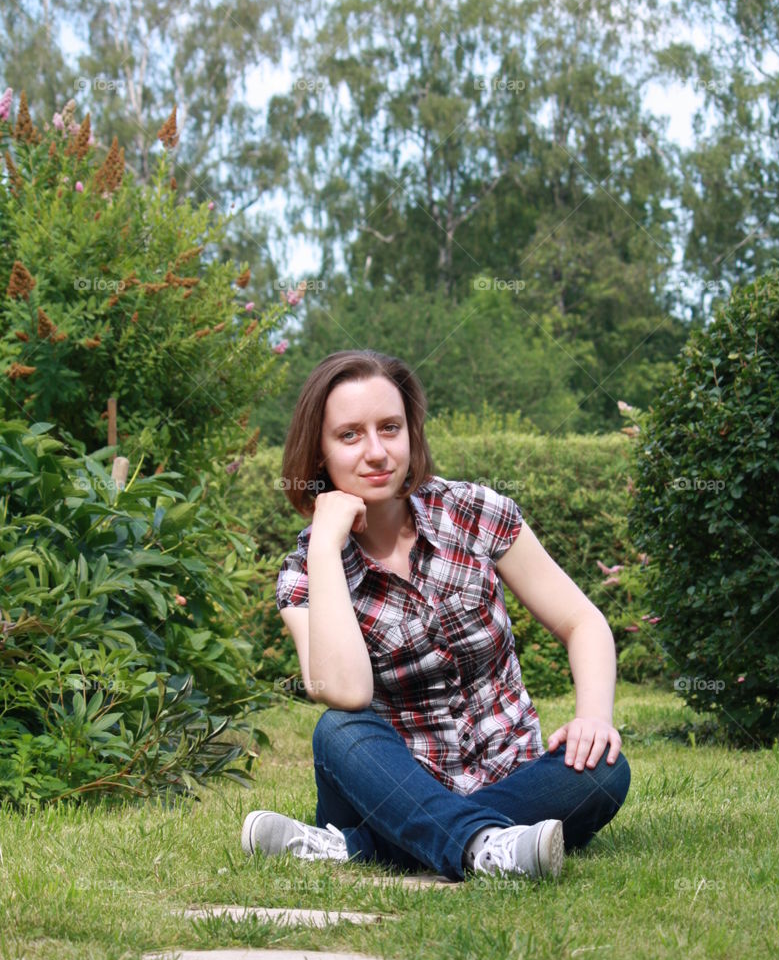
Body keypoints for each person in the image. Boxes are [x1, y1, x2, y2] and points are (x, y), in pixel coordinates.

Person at [241, 349, 630, 882]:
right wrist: (327, 545)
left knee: (603, 770)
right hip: (385, 790)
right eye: (350, 435)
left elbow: (581, 622)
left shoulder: (472, 512)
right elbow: (347, 691)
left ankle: (359, 850)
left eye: (390, 428)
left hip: (507, 775)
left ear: (411, 433)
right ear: (319, 455)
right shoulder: (303, 575)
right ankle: (487, 847)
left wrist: (593, 717)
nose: (376, 452)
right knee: (338, 728)